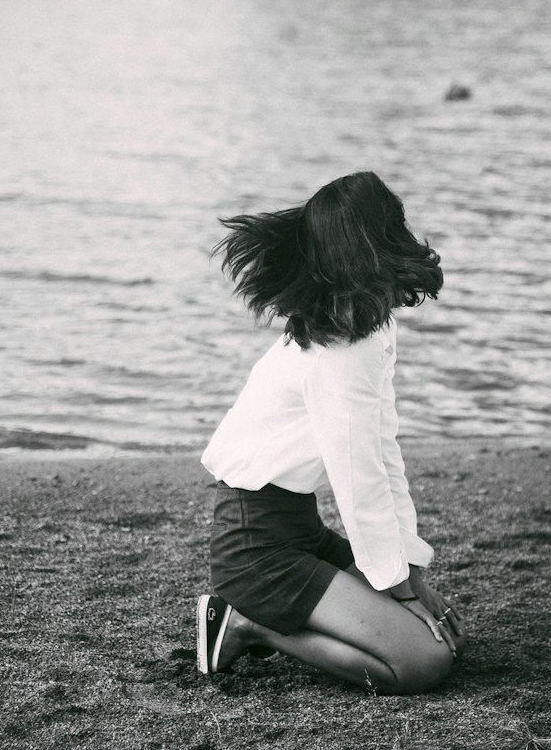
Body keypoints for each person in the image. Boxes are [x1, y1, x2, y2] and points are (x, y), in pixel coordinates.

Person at [197, 171, 467, 694]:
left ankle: (262, 619)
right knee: (422, 664)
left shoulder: (365, 324)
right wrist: (399, 591)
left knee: (450, 643)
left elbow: (384, 453)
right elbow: (358, 479)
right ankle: (248, 624)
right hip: (256, 550)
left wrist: (412, 574)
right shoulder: (341, 350)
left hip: (295, 532)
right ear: (375, 239)